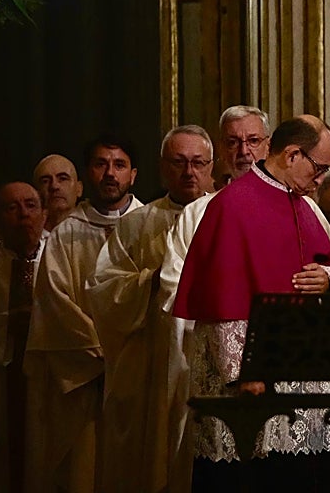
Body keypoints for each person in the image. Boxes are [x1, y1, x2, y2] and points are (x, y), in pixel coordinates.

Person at [172, 115, 330, 492]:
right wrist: (241, 372)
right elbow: (223, 295)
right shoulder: (233, 206)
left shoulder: (303, 204)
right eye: (319, 168)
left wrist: (327, 282)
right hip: (258, 383)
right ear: (292, 154)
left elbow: (329, 269)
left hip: (304, 378)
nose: (321, 180)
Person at [87, 125, 215, 493]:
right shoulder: (137, 223)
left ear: (210, 166)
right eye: (178, 162)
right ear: (162, 168)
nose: (189, 172)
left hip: (204, 356)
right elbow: (105, 289)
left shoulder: (226, 216)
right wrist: (152, 281)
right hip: (149, 362)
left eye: (197, 163)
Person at [24, 134, 144, 493]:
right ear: (87, 175)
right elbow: (56, 305)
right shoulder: (65, 234)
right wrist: (105, 351)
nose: (110, 173)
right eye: (100, 164)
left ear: (133, 175)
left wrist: (129, 356)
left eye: (119, 165)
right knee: (84, 471)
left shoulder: (151, 226)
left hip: (137, 377)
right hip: (84, 379)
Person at [157, 105, 272, 312]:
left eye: (253, 141)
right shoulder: (196, 213)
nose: (244, 151)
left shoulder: (297, 207)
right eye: (233, 143)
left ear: (268, 146)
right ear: (221, 149)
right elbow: (173, 284)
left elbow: (326, 269)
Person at [0, 181, 48, 493]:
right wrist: (9, 323)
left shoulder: (57, 258)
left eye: (31, 206)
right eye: (12, 208)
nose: (24, 215)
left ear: (44, 214)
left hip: (47, 377)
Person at [33, 153, 84, 231]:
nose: (54, 186)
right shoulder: (28, 239)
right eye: (45, 181)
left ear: (79, 189)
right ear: (36, 192)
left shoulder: (96, 235)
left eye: (63, 179)